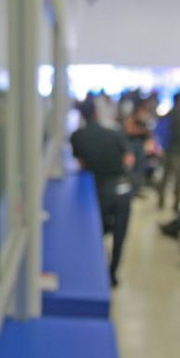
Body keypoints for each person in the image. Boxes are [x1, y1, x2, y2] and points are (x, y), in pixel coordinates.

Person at [71, 98, 134, 288]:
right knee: (119, 236)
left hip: (98, 191)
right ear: (97, 114)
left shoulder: (77, 136)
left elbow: (81, 163)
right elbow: (129, 159)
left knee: (95, 232)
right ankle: (112, 274)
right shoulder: (114, 134)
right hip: (121, 189)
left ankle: (95, 273)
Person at [157, 92, 180, 212]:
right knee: (179, 179)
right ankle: (176, 205)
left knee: (165, 177)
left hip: (169, 150)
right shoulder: (178, 115)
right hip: (177, 151)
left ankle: (161, 201)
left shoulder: (170, 113)